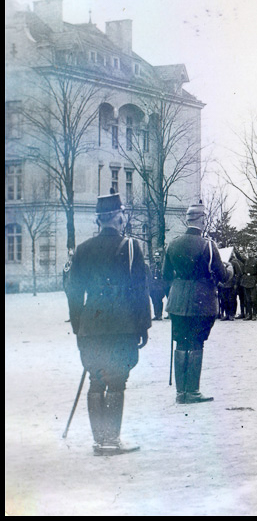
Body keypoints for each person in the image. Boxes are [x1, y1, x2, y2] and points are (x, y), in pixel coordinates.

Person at [66, 190, 150, 455]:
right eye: (122, 214)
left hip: (91, 324)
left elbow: (73, 293)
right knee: (116, 380)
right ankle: (112, 440)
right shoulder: (131, 247)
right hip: (121, 324)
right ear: (117, 217)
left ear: (99, 220)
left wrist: (79, 326)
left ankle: (100, 440)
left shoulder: (82, 249)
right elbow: (140, 290)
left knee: (95, 379)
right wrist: (143, 326)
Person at [163, 201, 231, 404]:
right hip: (201, 301)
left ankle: (180, 392)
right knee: (196, 343)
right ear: (201, 220)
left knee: (181, 343)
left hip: (177, 301)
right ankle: (192, 391)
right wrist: (230, 269)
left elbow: (165, 275)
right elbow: (222, 275)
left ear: (187, 220)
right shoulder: (208, 245)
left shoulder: (172, 243)